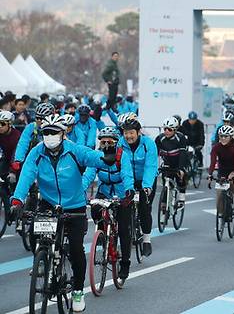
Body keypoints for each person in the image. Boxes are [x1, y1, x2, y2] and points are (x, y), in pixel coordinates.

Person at [10, 115, 118, 313]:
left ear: (63, 133)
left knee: (76, 249)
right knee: (36, 232)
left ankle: (77, 291)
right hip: (48, 203)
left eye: (53, 132)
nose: (49, 136)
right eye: (46, 133)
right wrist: (17, 200)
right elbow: (26, 174)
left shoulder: (74, 150)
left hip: (74, 207)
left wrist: (106, 159)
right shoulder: (37, 152)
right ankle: (42, 259)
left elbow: (92, 157)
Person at [83, 127, 135, 283]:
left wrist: (129, 191)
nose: (105, 144)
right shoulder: (97, 156)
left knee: (124, 230)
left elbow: (127, 174)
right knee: (95, 211)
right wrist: (80, 191)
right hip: (104, 191)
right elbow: (88, 175)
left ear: (116, 142)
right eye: (103, 141)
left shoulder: (122, 156)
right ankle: (103, 236)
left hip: (121, 194)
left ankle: (125, 264)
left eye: (109, 142)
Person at [118, 117, 156, 256]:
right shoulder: (120, 144)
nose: (128, 136)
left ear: (139, 132)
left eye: (131, 133)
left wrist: (147, 186)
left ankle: (146, 240)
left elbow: (151, 166)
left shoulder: (148, 144)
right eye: (125, 133)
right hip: (127, 179)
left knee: (145, 209)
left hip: (145, 179)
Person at [208, 125, 234, 215]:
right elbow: (213, 162)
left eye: (226, 136)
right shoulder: (216, 147)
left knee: (232, 182)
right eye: (221, 136)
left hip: (233, 169)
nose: (223, 138)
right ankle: (220, 217)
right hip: (222, 170)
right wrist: (210, 174)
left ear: (231, 137)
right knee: (219, 194)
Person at [155, 117, 189, 206]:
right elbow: (154, 155)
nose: (166, 131)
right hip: (167, 163)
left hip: (179, 162)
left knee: (181, 178)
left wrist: (181, 168)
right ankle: (164, 205)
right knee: (166, 185)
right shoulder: (159, 138)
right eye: (165, 129)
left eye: (169, 129)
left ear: (175, 130)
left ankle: (181, 197)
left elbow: (182, 154)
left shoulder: (181, 138)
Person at [0, 110, 21, 215]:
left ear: (9, 124)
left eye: (2, 124)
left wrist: (12, 172)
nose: (0, 126)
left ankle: (16, 203)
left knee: (13, 181)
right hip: (5, 160)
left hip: (17, 161)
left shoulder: (17, 136)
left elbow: (16, 155)